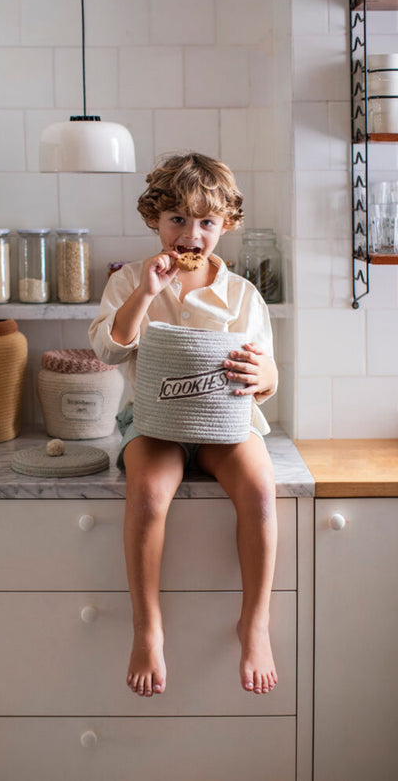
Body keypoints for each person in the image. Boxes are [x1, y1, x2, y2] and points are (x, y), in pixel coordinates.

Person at [88, 152, 279, 699]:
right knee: (147, 493)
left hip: (226, 420)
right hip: (154, 423)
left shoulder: (243, 294)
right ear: (155, 219)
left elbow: (265, 376)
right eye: (177, 219)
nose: (191, 233)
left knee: (261, 491)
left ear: (225, 226)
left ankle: (255, 623)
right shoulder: (130, 281)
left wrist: (266, 374)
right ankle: (148, 627)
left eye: (206, 222)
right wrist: (147, 293)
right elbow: (107, 349)